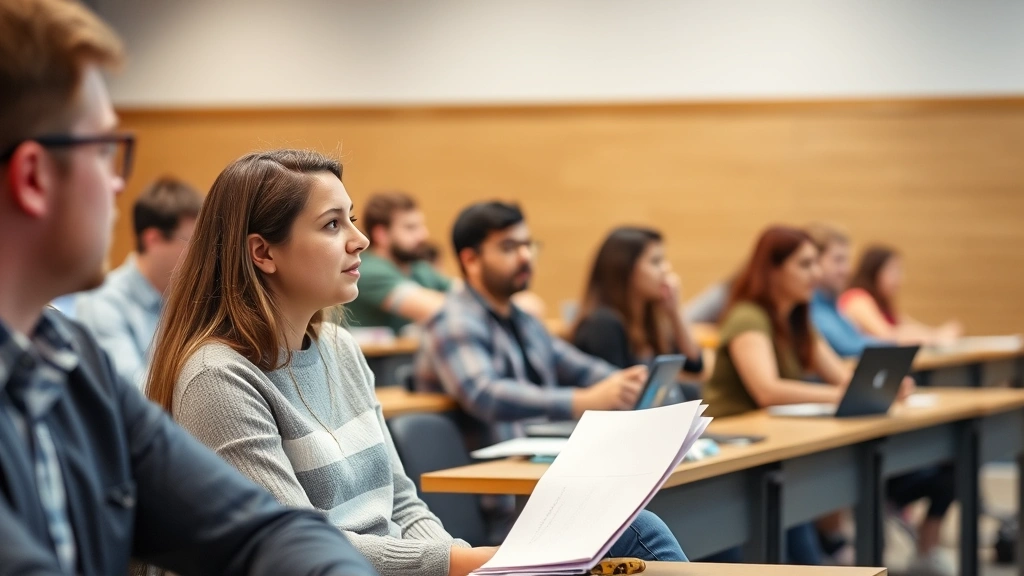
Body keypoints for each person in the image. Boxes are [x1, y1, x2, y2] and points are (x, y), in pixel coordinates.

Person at [0, 1, 375, 574]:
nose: (119, 183)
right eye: (105, 151)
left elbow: (262, 529)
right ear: (32, 178)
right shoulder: (201, 373)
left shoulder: (70, 362)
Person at [414, 201, 687, 561]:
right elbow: (485, 392)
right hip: (503, 509)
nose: (526, 256)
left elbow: (577, 366)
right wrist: (581, 400)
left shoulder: (522, 321)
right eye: (509, 248)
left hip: (546, 487)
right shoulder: (453, 321)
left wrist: (625, 382)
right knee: (640, 527)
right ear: (471, 260)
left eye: (529, 245)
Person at [705, 226, 954, 574]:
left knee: (804, 548)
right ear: (773, 269)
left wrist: (881, 387)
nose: (816, 274)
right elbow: (768, 390)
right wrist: (840, 394)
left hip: (776, 449)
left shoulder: (798, 320)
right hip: (733, 454)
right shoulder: (748, 317)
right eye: (805, 265)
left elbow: (840, 376)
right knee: (801, 553)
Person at [348, 191, 545, 335]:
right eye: (410, 228)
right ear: (381, 234)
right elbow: (438, 310)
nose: (423, 234)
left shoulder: (420, 269)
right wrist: (503, 305)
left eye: (421, 226)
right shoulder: (368, 269)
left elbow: (472, 294)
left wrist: (505, 302)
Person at [76, 176, 201, 388]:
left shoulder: (189, 297)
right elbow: (136, 396)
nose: (202, 253)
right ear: (153, 240)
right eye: (192, 242)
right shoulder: (102, 304)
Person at [571, 227, 704, 392]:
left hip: (642, 415)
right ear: (625, 269)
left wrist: (674, 313)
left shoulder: (650, 319)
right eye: (656, 262)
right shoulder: (602, 324)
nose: (666, 269)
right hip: (616, 416)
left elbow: (694, 365)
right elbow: (620, 397)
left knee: (693, 390)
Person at [839, 246, 962, 346]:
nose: (900, 279)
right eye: (894, 271)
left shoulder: (882, 302)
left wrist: (937, 334)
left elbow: (907, 326)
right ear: (874, 272)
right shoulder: (857, 298)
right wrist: (935, 337)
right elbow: (888, 337)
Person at [805, 224, 884, 357]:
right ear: (814, 262)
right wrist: (897, 343)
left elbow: (856, 341)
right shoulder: (809, 306)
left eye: (847, 261)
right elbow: (846, 346)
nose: (847, 270)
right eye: (838, 260)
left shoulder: (833, 304)